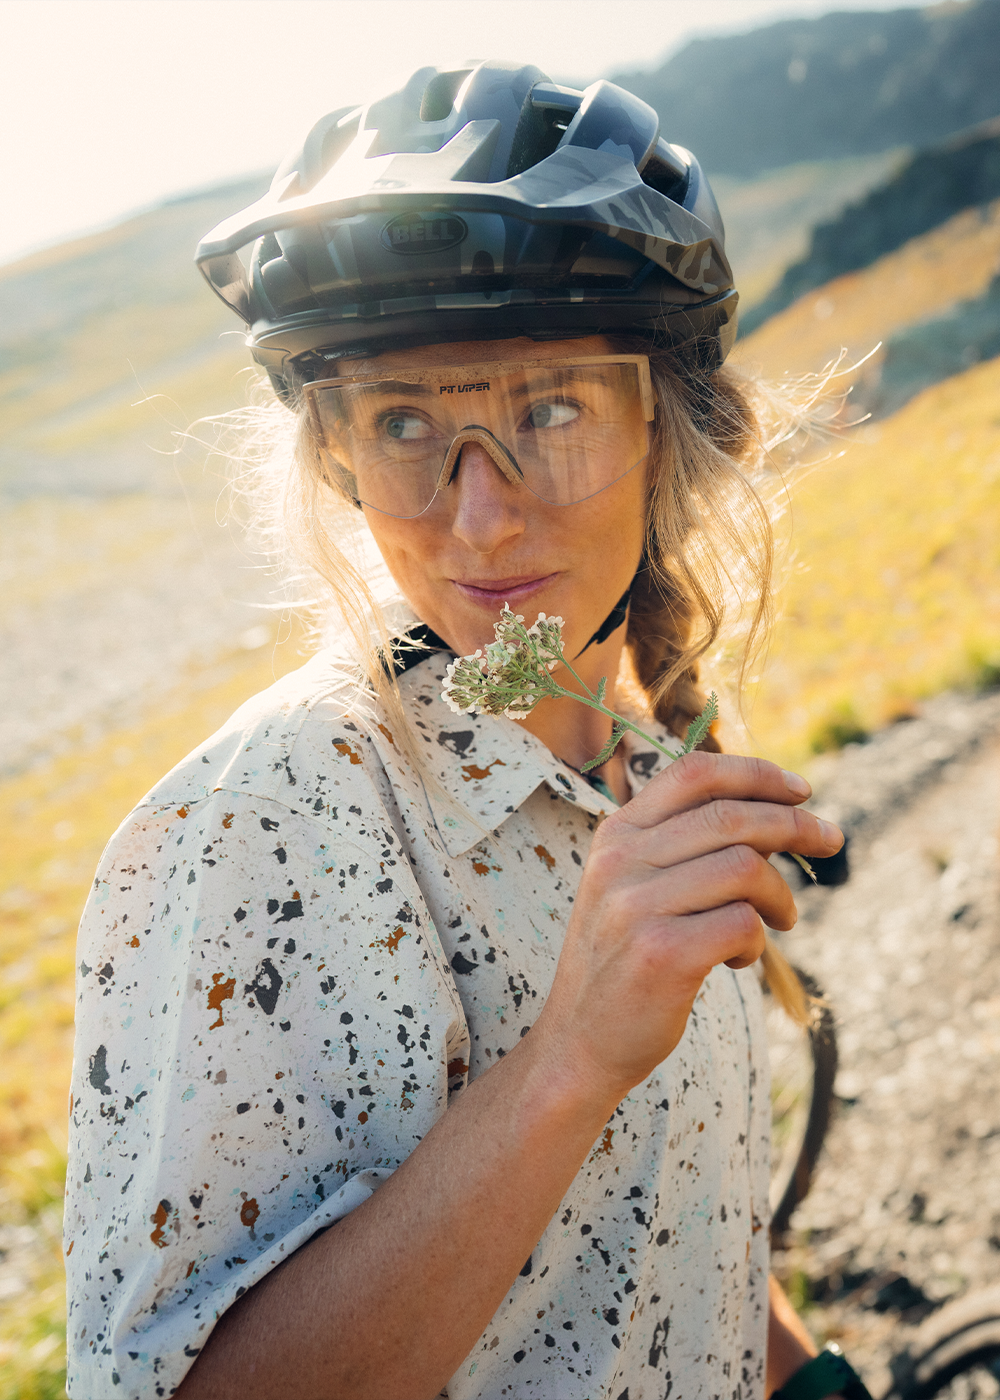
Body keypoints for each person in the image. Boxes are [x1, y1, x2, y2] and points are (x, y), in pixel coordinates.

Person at [64, 60, 864, 1400]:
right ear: (336, 456)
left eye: (549, 408)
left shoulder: (628, 750)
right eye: (405, 423)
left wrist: (800, 1375)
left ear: (670, 430)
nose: (477, 518)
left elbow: (646, 1225)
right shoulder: (257, 828)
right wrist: (565, 1064)